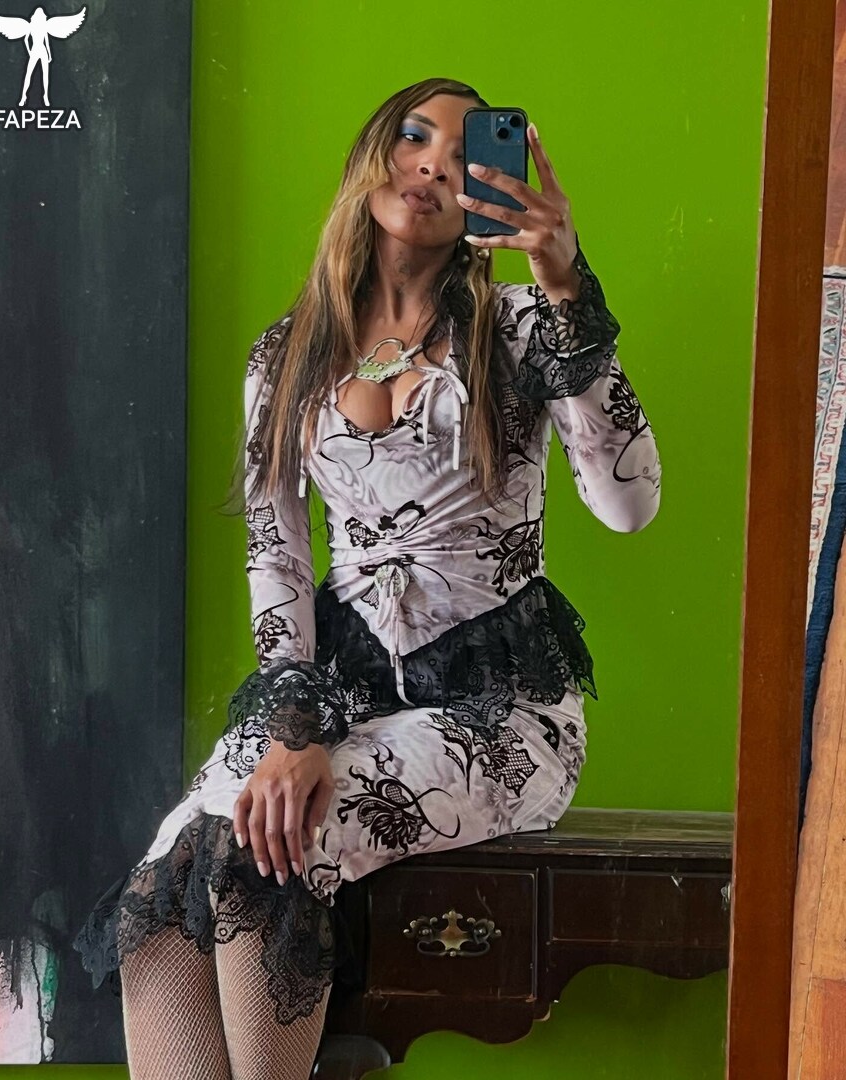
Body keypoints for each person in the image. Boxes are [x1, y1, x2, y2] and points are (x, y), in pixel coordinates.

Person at [72, 77, 661, 1080]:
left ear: (487, 189)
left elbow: (628, 503)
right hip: (338, 702)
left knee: (270, 845)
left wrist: (567, 284)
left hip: (498, 711)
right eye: (414, 135)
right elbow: (276, 556)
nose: (432, 162)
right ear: (372, 154)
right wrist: (295, 730)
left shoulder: (522, 329)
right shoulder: (287, 354)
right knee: (167, 884)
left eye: (465, 152)